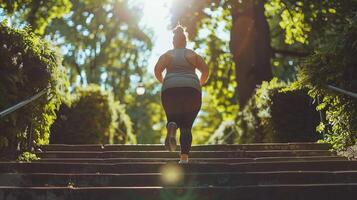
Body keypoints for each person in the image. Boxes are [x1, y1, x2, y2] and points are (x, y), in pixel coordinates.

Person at [154, 25, 209, 164]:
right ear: (185, 41)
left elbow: (157, 70)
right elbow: (205, 70)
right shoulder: (192, 54)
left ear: (173, 42)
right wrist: (199, 84)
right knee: (186, 126)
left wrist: (165, 82)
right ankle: (184, 158)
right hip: (191, 90)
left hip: (170, 89)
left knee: (173, 117)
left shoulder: (167, 55)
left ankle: (171, 124)